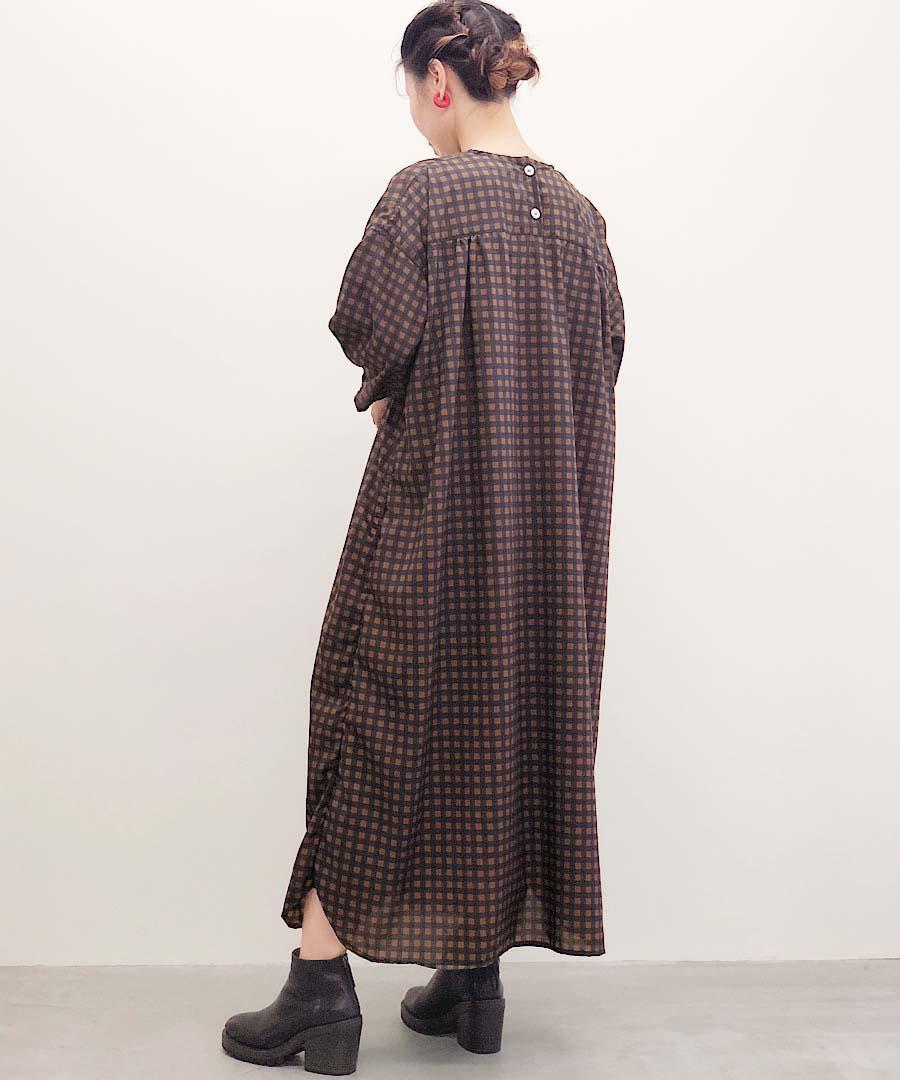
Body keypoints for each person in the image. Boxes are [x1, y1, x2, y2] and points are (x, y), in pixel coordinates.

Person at [221, 0, 626, 1072]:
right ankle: (472, 981)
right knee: (498, 723)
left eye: (410, 91)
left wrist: (390, 391)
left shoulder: (423, 195)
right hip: (547, 552)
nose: (412, 110)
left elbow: (374, 330)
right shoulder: (582, 219)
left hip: (431, 521)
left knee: (373, 714)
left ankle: (320, 989)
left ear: (437, 82)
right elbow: (601, 365)